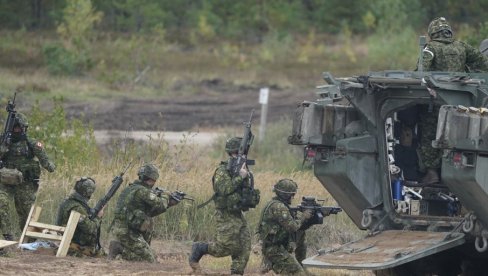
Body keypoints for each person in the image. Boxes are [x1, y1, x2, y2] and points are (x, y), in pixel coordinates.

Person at [418, 17, 488, 184]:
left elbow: (422, 69)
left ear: (432, 33)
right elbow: (483, 63)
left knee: (430, 134)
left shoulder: (431, 47)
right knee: (454, 136)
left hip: (436, 101)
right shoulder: (462, 47)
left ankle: (432, 172)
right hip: (461, 101)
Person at [189, 137, 255, 275]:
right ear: (231, 153)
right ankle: (200, 248)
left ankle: (236, 272)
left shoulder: (241, 169)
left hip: (237, 213)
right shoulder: (222, 171)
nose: (241, 156)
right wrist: (240, 177)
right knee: (224, 247)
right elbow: (223, 189)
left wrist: (246, 179)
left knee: (244, 245)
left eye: (243, 153)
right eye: (238, 153)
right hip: (225, 214)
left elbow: (245, 190)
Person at [0, 113, 55, 239]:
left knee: (26, 213)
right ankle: (8, 236)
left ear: (24, 128)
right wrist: (3, 149)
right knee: (2, 204)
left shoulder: (31, 144)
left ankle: (30, 240)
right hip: (5, 182)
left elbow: (46, 162)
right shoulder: (3, 141)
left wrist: (51, 166)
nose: (17, 131)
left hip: (25, 184)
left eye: (19, 128)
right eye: (14, 128)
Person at [109, 163, 179, 262]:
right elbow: (161, 204)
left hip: (125, 230)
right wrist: (166, 195)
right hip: (129, 232)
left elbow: (149, 213)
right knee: (148, 260)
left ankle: (122, 247)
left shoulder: (130, 188)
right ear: (152, 179)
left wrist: (169, 204)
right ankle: (120, 249)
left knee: (152, 256)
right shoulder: (143, 191)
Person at [258, 179, 312, 275]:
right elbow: (293, 227)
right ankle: (272, 264)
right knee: (298, 273)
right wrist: (303, 217)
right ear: (286, 195)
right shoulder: (279, 207)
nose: (293, 197)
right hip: (274, 249)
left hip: (274, 246)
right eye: (292, 195)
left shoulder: (274, 204)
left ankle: (272, 264)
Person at [55, 177, 104, 257]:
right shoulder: (77, 207)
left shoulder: (67, 202)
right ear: (88, 192)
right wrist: (98, 217)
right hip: (73, 243)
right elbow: (90, 228)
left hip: (64, 238)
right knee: (101, 254)